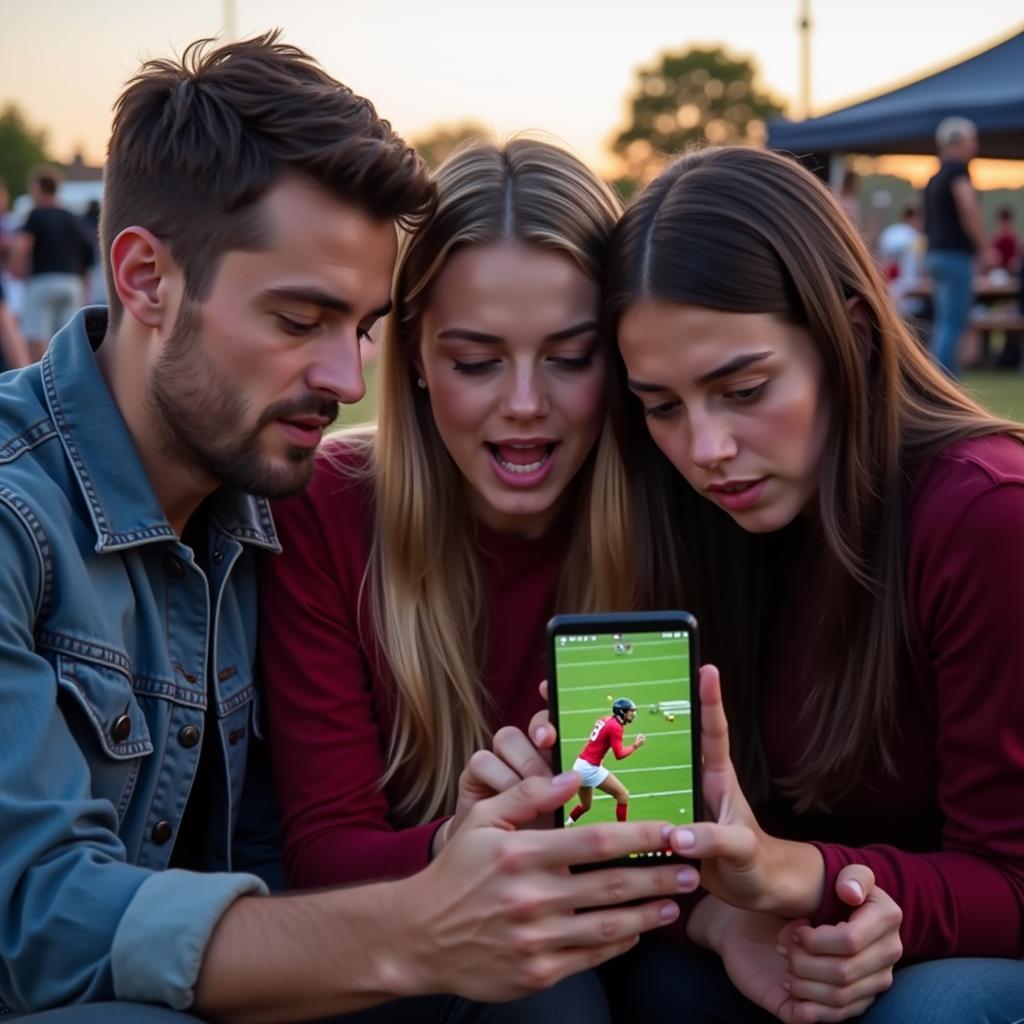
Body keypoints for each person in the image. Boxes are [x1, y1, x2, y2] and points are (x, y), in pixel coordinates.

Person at [0, 36, 696, 1022]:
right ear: (146, 279)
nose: (345, 380)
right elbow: (38, 919)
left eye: (364, 328)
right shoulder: (18, 522)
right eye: (299, 320)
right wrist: (423, 922)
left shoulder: (259, 499)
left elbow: (290, 855)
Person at [258, 139, 693, 1020]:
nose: (525, 402)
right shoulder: (327, 512)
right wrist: (467, 842)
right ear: (415, 354)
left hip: (661, 925)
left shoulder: (687, 498)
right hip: (424, 948)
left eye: (570, 357)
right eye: (476, 360)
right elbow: (325, 856)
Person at [604, 144, 1024, 1022]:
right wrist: (725, 917)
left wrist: (814, 882)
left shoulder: (987, 516)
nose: (705, 449)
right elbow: (668, 849)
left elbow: (1014, 875)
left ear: (852, 343)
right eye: (662, 405)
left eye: (744, 388)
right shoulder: (683, 513)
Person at [923, 116, 991, 377]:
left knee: (943, 322)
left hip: (936, 255)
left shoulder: (935, 177)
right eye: (973, 140)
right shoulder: (957, 172)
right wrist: (983, 247)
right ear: (960, 142)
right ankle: (945, 383)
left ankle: (935, 381)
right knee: (954, 322)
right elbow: (968, 208)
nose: (975, 146)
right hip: (955, 256)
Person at [12, 167, 94, 360]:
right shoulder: (73, 218)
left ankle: (38, 383)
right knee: (66, 341)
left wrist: (17, 268)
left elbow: (24, 245)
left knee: (36, 336)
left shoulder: (36, 215)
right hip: (71, 283)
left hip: (43, 280)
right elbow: (88, 256)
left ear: (39, 188)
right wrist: (85, 289)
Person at [567, 698, 647, 824]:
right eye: (630, 712)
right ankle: (623, 830)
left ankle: (566, 824)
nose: (633, 715)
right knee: (623, 795)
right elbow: (619, 755)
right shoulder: (616, 727)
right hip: (589, 768)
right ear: (621, 712)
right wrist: (635, 746)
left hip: (579, 765)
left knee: (585, 806)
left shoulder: (606, 719)